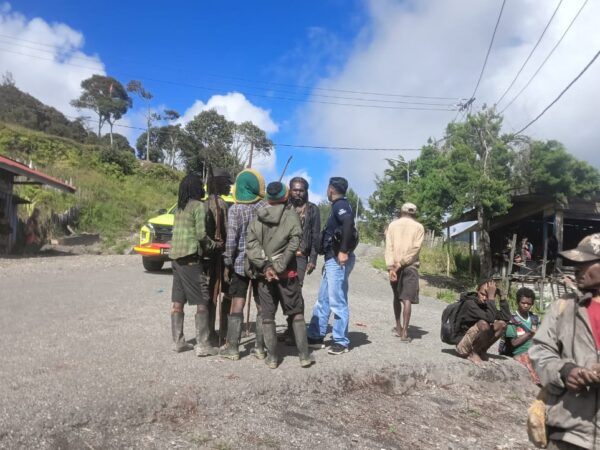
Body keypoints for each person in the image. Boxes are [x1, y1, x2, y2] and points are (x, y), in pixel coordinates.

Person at [530, 233, 600, 450]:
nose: (577, 269)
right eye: (575, 263)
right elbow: (540, 350)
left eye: (585, 263)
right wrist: (565, 371)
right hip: (569, 433)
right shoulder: (564, 307)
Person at [246, 181, 312, 368]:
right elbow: (295, 242)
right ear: (285, 196)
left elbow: (252, 246)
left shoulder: (257, 218)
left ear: (268, 197)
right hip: (288, 274)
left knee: (267, 316)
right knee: (296, 313)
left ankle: (273, 358)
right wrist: (280, 265)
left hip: (264, 277)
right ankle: (304, 356)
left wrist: (267, 267)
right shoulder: (292, 216)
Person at [220, 169, 268, 361]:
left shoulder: (235, 210)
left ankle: (233, 348)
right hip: (261, 263)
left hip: (240, 264)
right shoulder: (266, 208)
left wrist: (227, 262)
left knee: (237, 303)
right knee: (262, 304)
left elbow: (231, 240)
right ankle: (260, 348)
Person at [169, 173, 218, 356]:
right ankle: (203, 345)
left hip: (175, 260)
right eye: (200, 185)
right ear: (196, 188)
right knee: (202, 300)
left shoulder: (179, 208)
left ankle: (178, 342)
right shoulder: (198, 206)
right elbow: (200, 235)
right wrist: (214, 245)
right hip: (190, 259)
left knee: (177, 301)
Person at [307, 177, 357, 355]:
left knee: (337, 300)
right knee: (323, 300)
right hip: (331, 261)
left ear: (330, 189)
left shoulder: (340, 205)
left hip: (337, 259)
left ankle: (341, 341)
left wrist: (342, 251)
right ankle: (315, 335)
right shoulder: (339, 205)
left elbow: (348, 222)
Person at [282, 176, 320, 345]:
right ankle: (289, 328)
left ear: (306, 191)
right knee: (283, 292)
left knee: (296, 292)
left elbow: (316, 234)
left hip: (300, 257)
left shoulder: (313, 209)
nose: (298, 192)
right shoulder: (284, 207)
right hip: (283, 256)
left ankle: (294, 332)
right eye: (295, 189)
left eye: (301, 190)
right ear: (290, 190)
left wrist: (313, 258)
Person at [384, 202, 424, 343]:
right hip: (411, 266)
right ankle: (405, 333)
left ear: (401, 211)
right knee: (407, 299)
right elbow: (415, 249)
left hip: (394, 266)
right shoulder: (419, 227)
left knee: (396, 296)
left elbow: (389, 247)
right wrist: (402, 262)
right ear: (414, 213)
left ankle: (398, 327)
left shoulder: (392, 225)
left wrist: (391, 267)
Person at [204, 168, 232, 344]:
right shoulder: (220, 204)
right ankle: (222, 332)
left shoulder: (204, 203)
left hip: (207, 256)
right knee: (223, 293)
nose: (229, 187)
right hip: (218, 256)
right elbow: (227, 232)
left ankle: (210, 331)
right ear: (220, 184)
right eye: (227, 183)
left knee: (210, 295)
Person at [454, 279, 511, 364]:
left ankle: (481, 350)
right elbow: (490, 319)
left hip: (473, 343)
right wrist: (491, 298)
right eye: (482, 294)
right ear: (477, 291)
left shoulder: (486, 305)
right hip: (462, 346)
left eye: (488, 296)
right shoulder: (470, 304)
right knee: (484, 324)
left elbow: (506, 317)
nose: (484, 298)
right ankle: (474, 353)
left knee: (502, 324)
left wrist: (502, 297)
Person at [503, 287, 540, 385]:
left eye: (529, 304)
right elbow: (513, 343)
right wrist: (529, 334)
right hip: (519, 353)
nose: (526, 305)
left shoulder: (535, 319)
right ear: (518, 302)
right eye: (523, 303)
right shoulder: (512, 320)